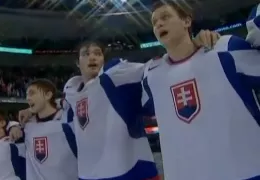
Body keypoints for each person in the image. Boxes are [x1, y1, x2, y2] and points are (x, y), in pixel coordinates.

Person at [19, 30, 220, 180]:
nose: (92, 57)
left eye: (97, 53)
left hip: (130, 170)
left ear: (103, 60)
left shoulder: (115, 75)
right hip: (90, 175)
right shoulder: (71, 93)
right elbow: (55, 111)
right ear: (77, 63)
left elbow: (154, 68)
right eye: (86, 54)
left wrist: (189, 45)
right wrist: (30, 111)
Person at [142, 1, 260, 180]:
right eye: (154, 22)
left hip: (245, 172)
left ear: (186, 21)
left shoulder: (225, 49)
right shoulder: (151, 76)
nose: (158, 24)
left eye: (165, 17)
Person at [19, 79, 78, 180]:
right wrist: (13, 127)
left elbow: (74, 101)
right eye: (27, 94)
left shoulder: (67, 119)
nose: (28, 98)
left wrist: (59, 101)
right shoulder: (27, 127)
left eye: (32, 93)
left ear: (48, 95)